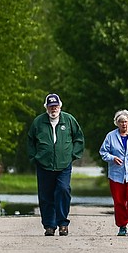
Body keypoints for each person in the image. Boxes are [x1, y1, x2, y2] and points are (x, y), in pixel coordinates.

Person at [26, 93, 85, 236]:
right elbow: (30, 141)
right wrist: (34, 158)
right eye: (51, 106)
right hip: (44, 164)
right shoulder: (38, 122)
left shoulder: (69, 120)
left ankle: (63, 223)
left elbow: (79, 138)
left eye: (56, 106)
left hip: (64, 164)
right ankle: (49, 226)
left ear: (60, 106)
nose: (54, 109)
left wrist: (73, 155)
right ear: (46, 107)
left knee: (63, 190)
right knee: (46, 195)